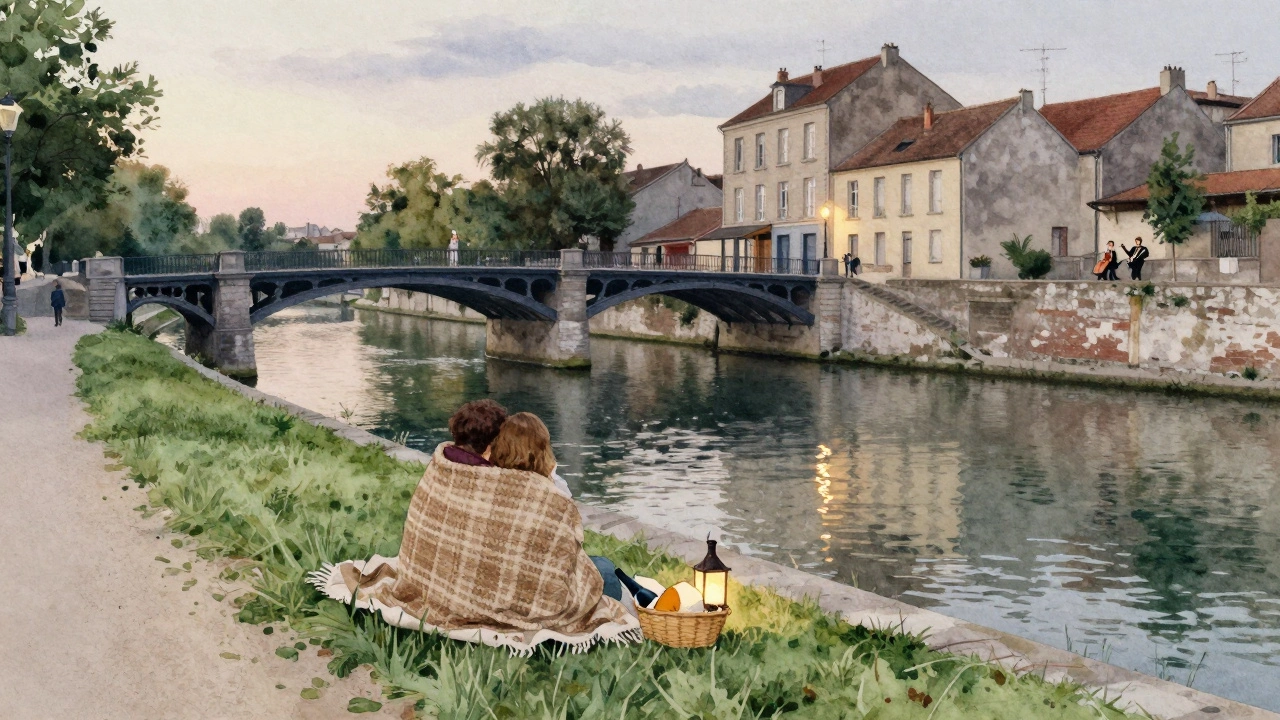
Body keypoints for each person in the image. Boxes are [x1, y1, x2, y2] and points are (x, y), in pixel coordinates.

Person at [373, 402, 636, 637]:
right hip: (493, 600)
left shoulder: (442, 468)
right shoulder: (506, 487)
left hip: (439, 589)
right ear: (493, 444)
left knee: (600, 569)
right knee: (604, 572)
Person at [488, 412, 655, 608]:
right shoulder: (554, 493)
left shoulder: (489, 482)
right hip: (544, 583)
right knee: (605, 570)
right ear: (543, 448)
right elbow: (571, 546)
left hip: (504, 579)